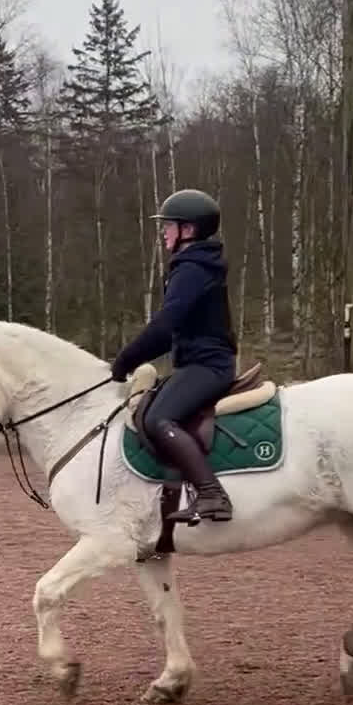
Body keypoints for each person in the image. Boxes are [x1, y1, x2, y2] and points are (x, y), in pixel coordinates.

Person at [110, 188, 236, 523]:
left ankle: (212, 495)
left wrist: (125, 360)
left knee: (157, 419)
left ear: (189, 230)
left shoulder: (193, 269)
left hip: (208, 366)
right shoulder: (194, 265)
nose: (163, 231)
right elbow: (174, 332)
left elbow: (166, 327)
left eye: (169, 225)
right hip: (198, 363)